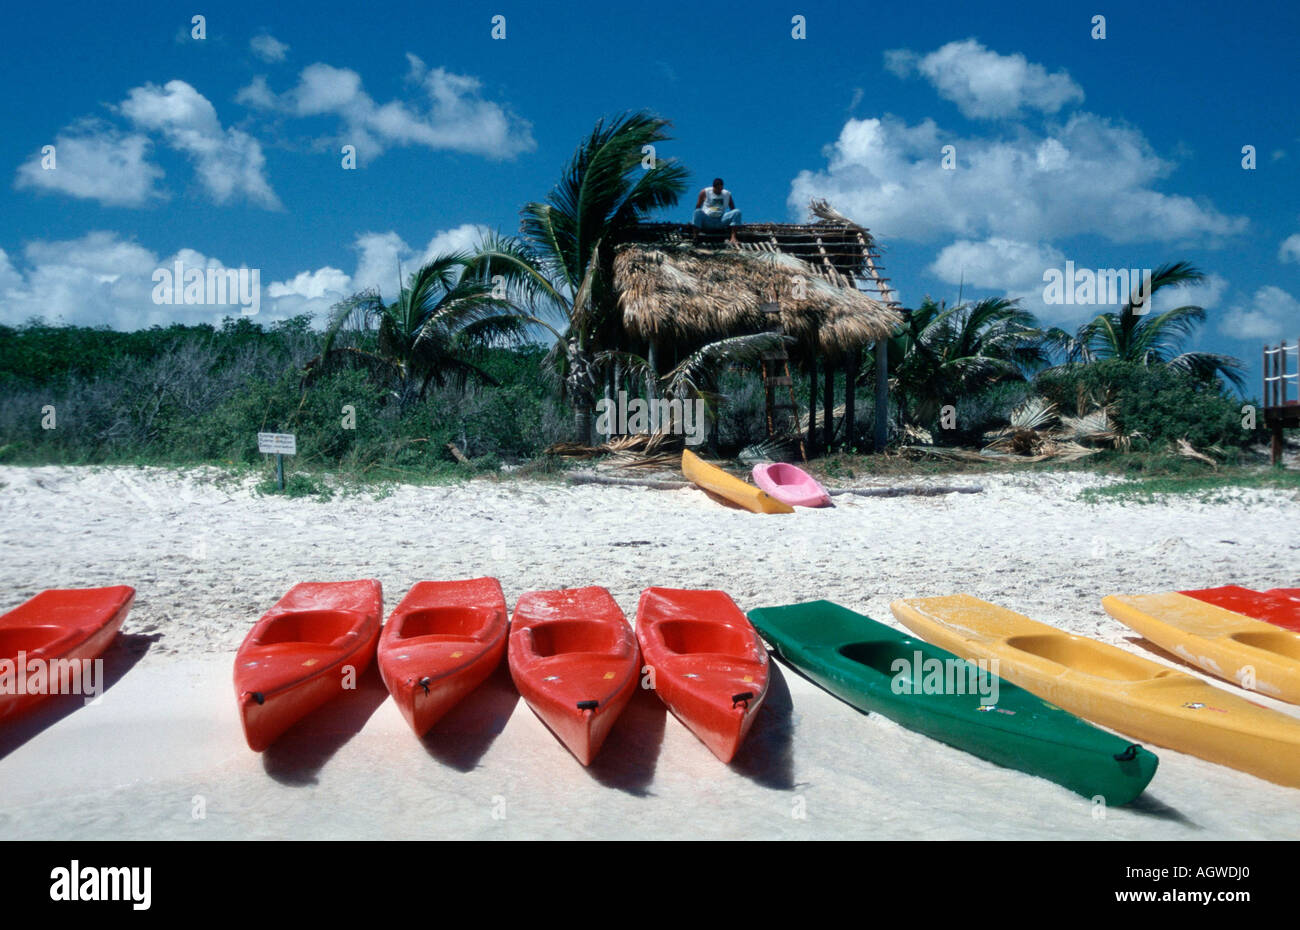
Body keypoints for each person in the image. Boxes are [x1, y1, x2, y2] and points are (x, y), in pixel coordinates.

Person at [692, 178, 742, 245]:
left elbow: (732, 208)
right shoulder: (705, 192)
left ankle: (733, 237)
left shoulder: (727, 194)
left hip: (721, 221)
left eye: (721, 189)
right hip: (708, 220)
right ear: (713, 187)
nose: (719, 191)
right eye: (717, 189)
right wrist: (697, 221)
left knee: (737, 212)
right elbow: (698, 206)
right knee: (697, 212)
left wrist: (733, 222)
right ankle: (695, 236)